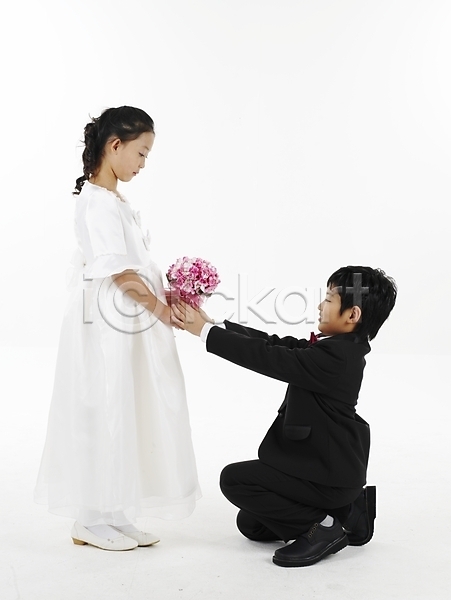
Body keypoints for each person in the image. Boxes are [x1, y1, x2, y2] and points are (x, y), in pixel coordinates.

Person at [34, 106, 201, 551]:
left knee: (125, 408)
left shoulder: (115, 201)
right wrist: (161, 310)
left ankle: (115, 512)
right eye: (141, 153)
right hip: (107, 324)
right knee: (104, 407)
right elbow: (119, 272)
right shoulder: (98, 202)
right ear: (114, 145)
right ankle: (89, 518)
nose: (143, 164)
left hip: (125, 322)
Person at [172, 266, 397, 567]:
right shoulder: (338, 349)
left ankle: (323, 528)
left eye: (329, 299)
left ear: (352, 315)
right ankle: (348, 512)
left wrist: (204, 332)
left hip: (329, 475)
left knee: (235, 481)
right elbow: (276, 344)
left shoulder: (337, 359)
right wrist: (214, 325)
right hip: (320, 469)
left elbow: (269, 357)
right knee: (250, 524)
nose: (320, 306)